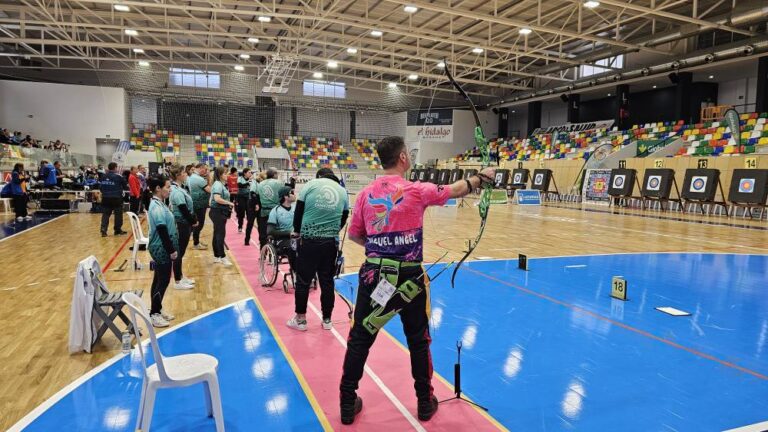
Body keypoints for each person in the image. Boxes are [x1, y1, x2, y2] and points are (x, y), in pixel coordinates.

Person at [338, 136, 495, 425]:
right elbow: (456, 189)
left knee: (360, 337)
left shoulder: (364, 195)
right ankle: (425, 402)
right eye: (408, 153)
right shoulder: (416, 190)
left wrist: (380, 249)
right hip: (410, 277)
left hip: (374, 274)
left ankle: (347, 402)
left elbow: (357, 234)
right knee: (418, 341)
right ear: (401, 158)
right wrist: (481, 178)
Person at [286, 167, 349, 332]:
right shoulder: (342, 192)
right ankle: (327, 320)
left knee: (303, 281)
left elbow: (298, 211)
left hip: (309, 242)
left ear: (319, 176)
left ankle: (301, 320)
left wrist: (297, 231)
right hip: (330, 243)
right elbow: (343, 217)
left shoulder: (311, 185)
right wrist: (333, 230)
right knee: (327, 281)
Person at [146, 174, 179, 328]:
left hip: (162, 247)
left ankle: (156, 309)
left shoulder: (159, 203)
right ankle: (154, 313)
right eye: (167, 187)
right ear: (158, 188)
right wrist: (171, 250)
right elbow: (162, 230)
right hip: (161, 248)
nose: (170, 190)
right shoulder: (156, 207)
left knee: (158, 279)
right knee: (163, 280)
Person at [168, 164, 198, 290]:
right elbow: (183, 209)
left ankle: (180, 275)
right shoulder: (175, 190)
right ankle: (178, 281)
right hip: (181, 224)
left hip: (184, 223)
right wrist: (193, 221)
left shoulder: (180, 188)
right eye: (184, 173)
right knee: (179, 252)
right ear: (179, 175)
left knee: (182, 251)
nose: (186, 174)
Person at [209, 166, 235, 265]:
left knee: (217, 234)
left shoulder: (219, 184)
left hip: (218, 211)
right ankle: (222, 257)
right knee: (220, 234)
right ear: (220, 175)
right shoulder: (217, 184)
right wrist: (229, 203)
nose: (227, 175)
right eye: (225, 173)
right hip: (217, 212)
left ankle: (217, 256)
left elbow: (211, 199)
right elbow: (217, 198)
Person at [99, 162, 129, 237]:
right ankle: (117, 230)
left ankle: (103, 230)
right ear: (115, 168)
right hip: (116, 198)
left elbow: (101, 188)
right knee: (118, 215)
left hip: (106, 198)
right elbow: (125, 187)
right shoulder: (119, 176)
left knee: (105, 214)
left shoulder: (103, 176)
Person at [257, 168, 283, 248]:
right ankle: (277, 249)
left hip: (264, 211)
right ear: (274, 174)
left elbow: (258, 197)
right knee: (277, 232)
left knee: (263, 233)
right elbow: (283, 197)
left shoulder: (260, 184)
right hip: (276, 211)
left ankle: (262, 251)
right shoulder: (279, 183)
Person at [188, 164, 211, 249]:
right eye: (205, 170)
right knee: (199, 224)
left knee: (197, 223)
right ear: (201, 168)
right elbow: (210, 190)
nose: (206, 171)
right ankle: (196, 243)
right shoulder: (199, 179)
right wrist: (209, 177)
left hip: (197, 203)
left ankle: (196, 241)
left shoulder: (193, 177)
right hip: (199, 204)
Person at [244, 171, 261, 246]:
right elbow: (252, 193)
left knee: (261, 224)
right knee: (250, 223)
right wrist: (256, 204)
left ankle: (261, 240)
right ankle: (247, 240)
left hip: (259, 203)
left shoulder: (262, 183)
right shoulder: (254, 182)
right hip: (252, 204)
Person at [236, 168, 252, 233]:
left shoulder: (252, 180)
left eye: (251, 173)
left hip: (248, 197)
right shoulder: (240, 178)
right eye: (249, 172)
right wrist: (248, 182)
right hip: (241, 197)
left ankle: (249, 227)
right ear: (245, 173)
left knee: (249, 213)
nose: (250, 174)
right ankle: (240, 226)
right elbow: (240, 185)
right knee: (241, 213)